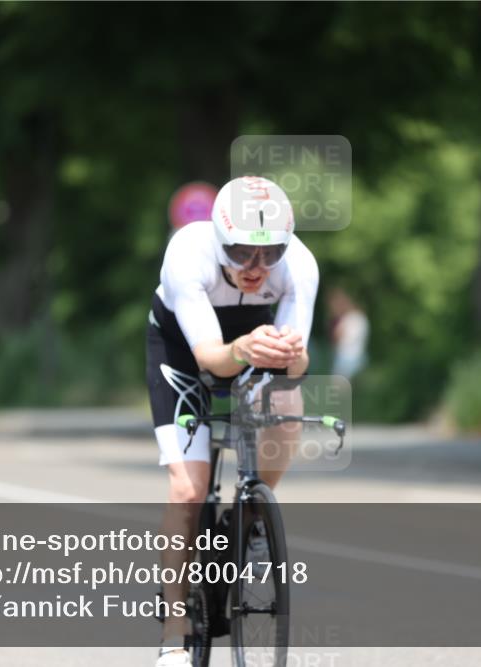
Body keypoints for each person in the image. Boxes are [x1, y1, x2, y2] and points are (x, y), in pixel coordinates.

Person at [146, 176, 318, 666]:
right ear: (220, 239)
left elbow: (296, 367)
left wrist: (288, 357)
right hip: (184, 347)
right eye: (242, 252)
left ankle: (254, 507)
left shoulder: (299, 266)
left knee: (288, 406)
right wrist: (241, 351)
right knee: (187, 490)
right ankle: (174, 636)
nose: (256, 268)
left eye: (270, 253)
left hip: (254, 337)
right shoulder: (188, 255)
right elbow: (209, 358)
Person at [327, 287, 369, 378]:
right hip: (360, 357)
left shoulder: (348, 319)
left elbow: (337, 337)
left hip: (346, 358)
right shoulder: (361, 318)